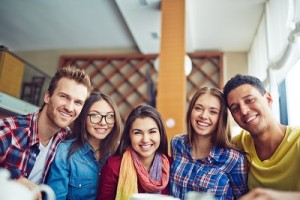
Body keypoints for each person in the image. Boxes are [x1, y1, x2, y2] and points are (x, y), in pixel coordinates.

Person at [0, 66, 93, 199]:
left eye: (78, 102)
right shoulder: (9, 131)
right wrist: (12, 182)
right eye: (64, 97)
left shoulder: (65, 138)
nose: (69, 107)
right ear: (48, 97)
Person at [223, 74, 300, 200]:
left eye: (249, 100)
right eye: (235, 108)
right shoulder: (238, 145)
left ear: (268, 99)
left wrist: (272, 197)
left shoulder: (297, 141)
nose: (244, 111)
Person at [170, 87, 248, 200]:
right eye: (198, 108)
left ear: (222, 118)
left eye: (213, 112)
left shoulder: (234, 159)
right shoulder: (177, 143)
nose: (203, 116)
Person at [46, 92, 122, 199]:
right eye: (95, 115)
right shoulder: (66, 152)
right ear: (83, 118)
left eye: (109, 116)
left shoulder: (118, 153)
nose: (103, 122)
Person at [97, 104, 172, 200]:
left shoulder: (170, 165)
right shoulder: (113, 167)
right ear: (129, 136)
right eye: (138, 132)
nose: (145, 139)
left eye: (152, 132)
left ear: (160, 134)